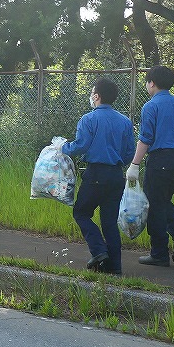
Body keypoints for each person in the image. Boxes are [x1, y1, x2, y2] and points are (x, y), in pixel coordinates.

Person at [59, 78, 136, 275]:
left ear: (96, 96)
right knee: (109, 221)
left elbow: (81, 145)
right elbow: (129, 153)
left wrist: (63, 147)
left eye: (92, 92)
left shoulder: (89, 119)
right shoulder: (125, 122)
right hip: (116, 175)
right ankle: (115, 266)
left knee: (81, 212)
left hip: (95, 174)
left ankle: (99, 251)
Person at [127, 65, 174, 267]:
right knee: (162, 201)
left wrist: (134, 164)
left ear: (152, 83)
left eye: (147, 82)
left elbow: (145, 139)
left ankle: (159, 253)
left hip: (161, 161)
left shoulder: (151, 106)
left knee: (155, 206)